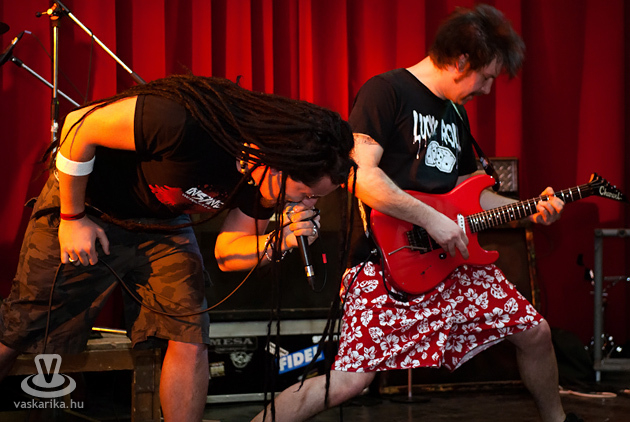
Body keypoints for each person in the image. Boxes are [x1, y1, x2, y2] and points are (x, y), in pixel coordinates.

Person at [254, 4, 584, 422]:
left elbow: (472, 196)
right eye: (486, 76)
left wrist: (530, 210)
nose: (487, 89)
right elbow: (360, 176)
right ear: (461, 61)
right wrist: (431, 220)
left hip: (451, 260)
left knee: (535, 332)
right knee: (349, 382)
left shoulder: (456, 113)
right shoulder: (386, 92)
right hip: (387, 264)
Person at [0, 74, 356, 422]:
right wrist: (72, 217)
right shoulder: (182, 120)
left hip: (163, 224)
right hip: (91, 204)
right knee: (22, 324)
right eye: (308, 194)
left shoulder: (263, 183)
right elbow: (78, 125)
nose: (309, 204)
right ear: (281, 165)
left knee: (190, 332)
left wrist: (278, 242)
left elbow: (227, 253)